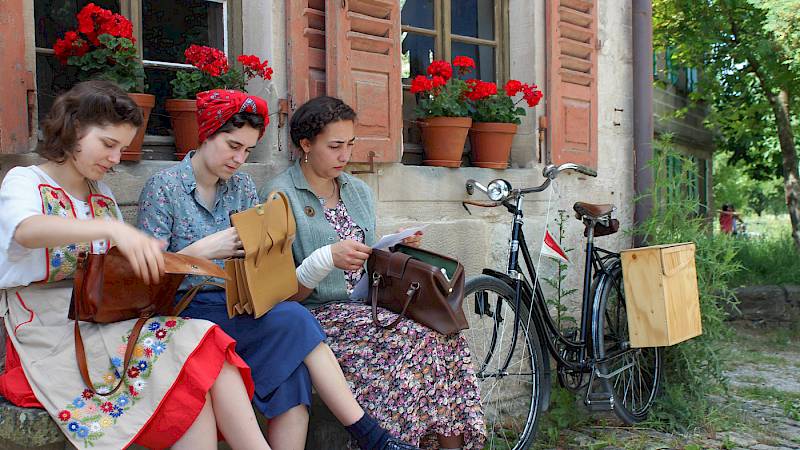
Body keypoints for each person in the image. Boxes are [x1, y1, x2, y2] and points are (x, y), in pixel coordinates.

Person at [136, 89, 417, 450]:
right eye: (233, 146)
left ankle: (373, 439)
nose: (239, 159)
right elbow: (146, 277)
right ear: (206, 134)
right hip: (185, 310)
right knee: (295, 319)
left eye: (249, 151)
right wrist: (203, 252)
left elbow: (262, 261)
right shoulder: (165, 187)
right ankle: (372, 437)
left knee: (292, 367)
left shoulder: (242, 188)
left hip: (237, 306)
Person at [0, 80, 270, 450]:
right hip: (45, 330)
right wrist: (111, 229)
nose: (114, 159)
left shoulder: (101, 194)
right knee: (197, 355)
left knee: (200, 367)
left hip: (101, 319)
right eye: (109, 145)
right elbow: (26, 231)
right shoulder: (25, 181)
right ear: (73, 128)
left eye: (122, 149)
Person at [261, 96, 486, 450]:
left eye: (350, 144)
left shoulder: (358, 191)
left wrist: (395, 247)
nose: (344, 155)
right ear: (305, 144)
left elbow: (368, 264)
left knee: (449, 337)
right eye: (334, 146)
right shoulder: (278, 196)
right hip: (315, 317)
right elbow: (277, 296)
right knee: (418, 343)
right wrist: (325, 259)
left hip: (371, 307)